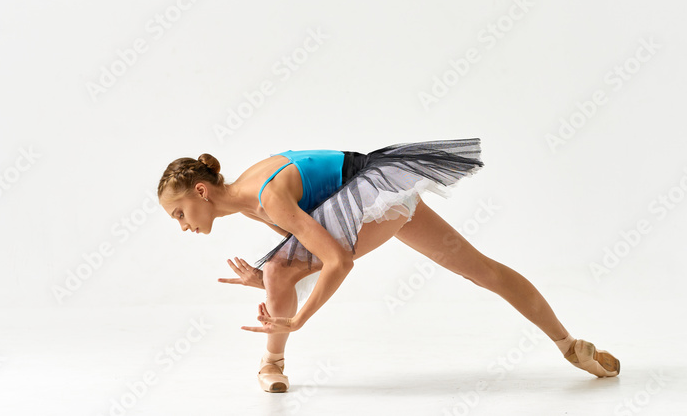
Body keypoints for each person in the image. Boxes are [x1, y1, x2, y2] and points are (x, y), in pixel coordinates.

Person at [156, 138, 619, 392]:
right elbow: (318, 246)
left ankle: (271, 361)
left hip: (373, 191)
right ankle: (570, 345)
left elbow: (337, 260)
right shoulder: (249, 198)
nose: (182, 225)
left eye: (179, 213)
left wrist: (298, 317)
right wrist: (268, 278)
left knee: (280, 269)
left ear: (201, 192)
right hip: (379, 190)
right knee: (481, 270)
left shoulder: (266, 197)